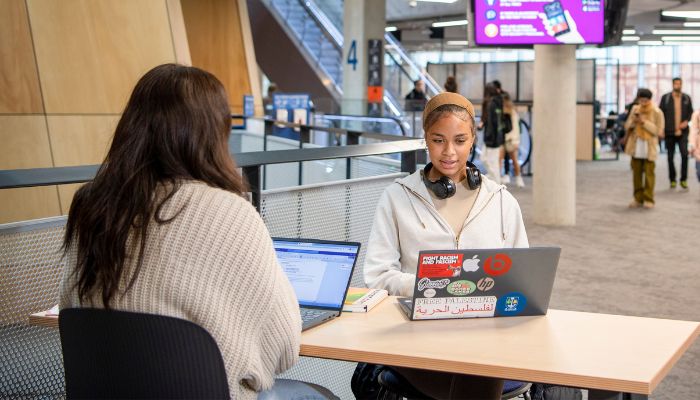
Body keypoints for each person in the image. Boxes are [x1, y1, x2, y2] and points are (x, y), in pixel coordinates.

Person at [59, 64, 303, 399]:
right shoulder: (230, 212)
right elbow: (286, 348)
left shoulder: (90, 206)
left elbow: (73, 311)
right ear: (213, 135)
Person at [360, 92, 528, 399]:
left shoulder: (501, 200)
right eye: (438, 140)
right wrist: (432, 285)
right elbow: (377, 276)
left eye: (460, 140)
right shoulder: (397, 197)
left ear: (473, 139)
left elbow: (524, 275)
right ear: (425, 138)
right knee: (478, 373)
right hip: (417, 333)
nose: (449, 152)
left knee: (481, 366)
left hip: (484, 332)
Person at [623, 88, 664, 209]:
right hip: (636, 147)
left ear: (650, 100)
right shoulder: (635, 109)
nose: (643, 103)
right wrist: (634, 121)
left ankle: (648, 198)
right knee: (636, 175)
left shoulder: (657, 112)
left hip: (649, 147)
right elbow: (627, 126)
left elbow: (658, 131)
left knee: (649, 174)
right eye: (641, 100)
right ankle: (637, 198)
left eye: (645, 100)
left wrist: (644, 122)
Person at [658, 77, 693, 189]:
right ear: (673, 84)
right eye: (676, 83)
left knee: (684, 155)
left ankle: (683, 180)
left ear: (681, 85)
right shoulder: (666, 98)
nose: (678, 85)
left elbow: (690, 113)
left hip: (682, 133)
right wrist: (661, 129)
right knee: (670, 157)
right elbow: (661, 114)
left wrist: (686, 122)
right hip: (669, 132)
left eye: (679, 83)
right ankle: (672, 179)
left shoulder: (686, 98)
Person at [481, 82, 506, 184]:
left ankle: (496, 182)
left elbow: (493, 122)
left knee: (491, 162)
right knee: (486, 159)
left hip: (492, 138)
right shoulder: (498, 102)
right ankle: (494, 179)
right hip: (497, 137)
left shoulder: (492, 104)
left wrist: (489, 137)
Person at [500, 92, 525, 188]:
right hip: (504, 139)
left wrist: (515, 141)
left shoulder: (513, 113)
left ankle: (519, 178)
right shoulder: (503, 112)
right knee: (502, 159)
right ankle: (505, 176)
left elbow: (516, 129)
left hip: (511, 140)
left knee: (514, 159)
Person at [690, 109, 700, 192]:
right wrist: (692, 145)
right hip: (698, 147)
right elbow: (693, 130)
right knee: (699, 172)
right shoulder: (697, 114)